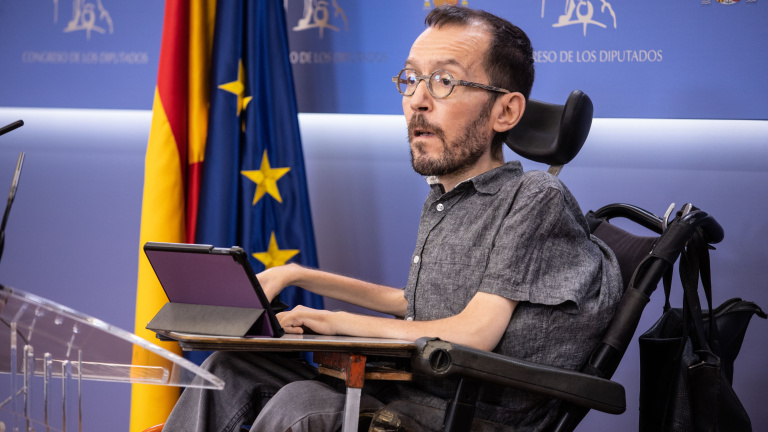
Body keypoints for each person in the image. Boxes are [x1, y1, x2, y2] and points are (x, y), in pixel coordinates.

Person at [163, 6, 622, 432]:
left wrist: (336, 321)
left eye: (444, 81)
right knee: (231, 368)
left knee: (301, 403)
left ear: (506, 111)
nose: (417, 100)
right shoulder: (446, 197)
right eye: (411, 79)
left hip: (464, 415)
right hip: (406, 394)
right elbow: (416, 303)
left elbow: (474, 331)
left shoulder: (535, 197)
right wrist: (296, 275)